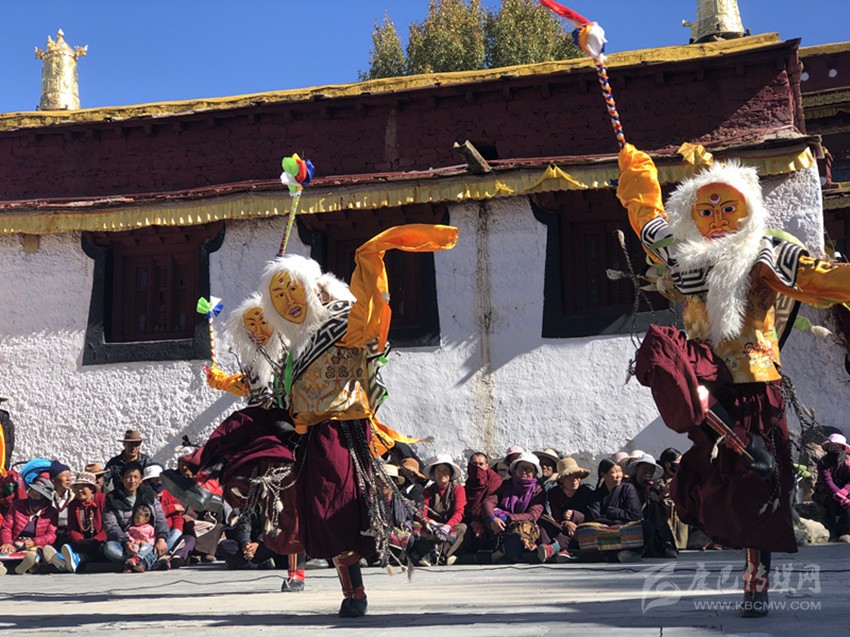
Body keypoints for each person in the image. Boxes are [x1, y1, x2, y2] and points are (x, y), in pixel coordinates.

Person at [618, 142, 850, 616]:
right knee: (665, 353)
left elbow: (819, 279)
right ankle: (743, 450)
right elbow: (646, 218)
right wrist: (635, 166)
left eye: (728, 208)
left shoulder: (766, 251)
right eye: (706, 210)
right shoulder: (682, 252)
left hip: (754, 380)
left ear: (747, 210)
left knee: (759, 494)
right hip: (706, 373)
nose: (718, 218)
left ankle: (754, 586)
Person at [103, 462, 169, 573]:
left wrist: (161, 539)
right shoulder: (112, 498)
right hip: (126, 543)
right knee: (109, 548)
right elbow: (111, 526)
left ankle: (135, 563)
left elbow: (160, 518)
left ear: (140, 479)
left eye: (135, 477)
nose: (132, 481)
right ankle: (148, 561)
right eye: (128, 477)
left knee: (175, 535)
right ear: (122, 478)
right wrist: (126, 542)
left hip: (150, 540)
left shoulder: (148, 494)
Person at [482, 452, 545, 562]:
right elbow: (489, 501)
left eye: (529, 469)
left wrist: (508, 518)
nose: (524, 472)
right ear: (515, 470)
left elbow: (532, 515)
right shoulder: (506, 485)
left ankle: (502, 554)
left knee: (523, 529)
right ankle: (508, 553)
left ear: (535, 473)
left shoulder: (538, 490)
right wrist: (492, 518)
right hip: (501, 524)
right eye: (521, 468)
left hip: (521, 524)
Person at [414, 454, 467, 567]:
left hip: (451, 526)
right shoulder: (427, 491)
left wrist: (447, 526)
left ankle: (439, 555)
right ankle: (434, 554)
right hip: (433, 528)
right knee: (416, 527)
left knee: (462, 528)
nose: (442, 473)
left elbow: (459, 512)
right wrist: (432, 523)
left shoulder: (458, 489)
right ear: (433, 473)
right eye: (438, 470)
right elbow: (421, 513)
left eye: (445, 470)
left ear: (451, 473)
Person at [586, 459, 643, 563]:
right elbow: (594, 517)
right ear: (603, 475)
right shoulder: (596, 494)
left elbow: (636, 515)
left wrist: (612, 512)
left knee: (646, 526)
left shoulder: (628, 488)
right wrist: (613, 523)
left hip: (625, 528)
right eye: (614, 472)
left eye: (620, 471)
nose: (619, 476)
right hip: (605, 530)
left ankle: (625, 553)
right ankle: (617, 554)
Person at [537, 457, 593, 562]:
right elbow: (556, 515)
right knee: (543, 520)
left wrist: (575, 515)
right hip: (562, 526)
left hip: (581, 528)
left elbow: (591, 515)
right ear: (562, 480)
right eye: (569, 477)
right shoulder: (554, 493)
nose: (574, 480)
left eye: (577, 476)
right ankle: (553, 550)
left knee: (579, 530)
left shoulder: (587, 491)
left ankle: (553, 548)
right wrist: (566, 522)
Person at [0, 475, 58, 575]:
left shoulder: (51, 512)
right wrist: (7, 542)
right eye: (31, 492)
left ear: (43, 498)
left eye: (36, 495)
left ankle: (26, 565)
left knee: (34, 553)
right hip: (15, 543)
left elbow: (51, 535)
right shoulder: (16, 506)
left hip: (35, 545)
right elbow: (7, 527)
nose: (32, 496)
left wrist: (35, 541)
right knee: (5, 551)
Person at [142, 463, 195, 569]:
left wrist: (177, 530)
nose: (159, 482)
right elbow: (150, 516)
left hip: (170, 532)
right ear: (147, 482)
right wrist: (171, 507)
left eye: (160, 479)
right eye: (155, 480)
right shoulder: (144, 497)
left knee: (189, 538)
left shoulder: (168, 494)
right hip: (151, 533)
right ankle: (157, 558)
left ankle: (171, 557)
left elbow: (177, 516)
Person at [627, 454, 678, 558]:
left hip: (649, 520)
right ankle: (666, 543)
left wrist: (660, 497)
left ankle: (666, 543)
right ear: (637, 469)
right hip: (630, 519)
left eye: (651, 469)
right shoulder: (627, 486)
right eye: (645, 468)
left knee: (654, 506)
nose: (648, 471)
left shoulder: (652, 487)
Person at [59, 471, 108, 573]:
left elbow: (108, 525)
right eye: (77, 487)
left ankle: (76, 559)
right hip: (82, 542)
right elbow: (72, 528)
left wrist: (95, 540)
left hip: (99, 541)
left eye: (83, 487)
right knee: (68, 544)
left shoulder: (103, 500)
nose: (79, 490)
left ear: (91, 489)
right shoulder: (73, 505)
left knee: (100, 548)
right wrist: (80, 541)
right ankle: (64, 559)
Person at [462, 452, 503, 558]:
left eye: (481, 464)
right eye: (474, 464)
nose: (477, 467)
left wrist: (480, 520)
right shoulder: (468, 485)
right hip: (470, 522)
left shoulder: (495, 482)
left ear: (486, 466)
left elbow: (493, 503)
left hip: (488, 519)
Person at [812, 433, 850, 542]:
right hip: (826, 492)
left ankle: (846, 531)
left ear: (843, 447)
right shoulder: (823, 462)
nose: (834, 448)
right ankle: (836, 532)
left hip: (845, 491)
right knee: (833, 503)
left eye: (837, 445)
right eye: (832, 445)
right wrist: (839, 495)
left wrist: (844, 492)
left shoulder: (848, 460)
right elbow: (827, 482)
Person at [657, 448, 688, 550]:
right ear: (667, 464)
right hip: (666, 515)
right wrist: (665, 492)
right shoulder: (659, 479)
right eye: (678, 462)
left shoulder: (683, 477)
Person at [49, 460, 74, 551]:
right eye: (64, 476)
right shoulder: (47, 497)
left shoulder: (74, 497)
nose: (68, 479)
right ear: (53, 479)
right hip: (50, 535)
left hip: (69, 536)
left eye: (70, 475)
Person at [122, 504, 156, 572]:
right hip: (136, 544)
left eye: (138, 518)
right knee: (133, 549)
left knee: (148, 547)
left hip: (145, 546)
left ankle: (138, 558)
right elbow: (127, 535)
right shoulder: (132, 528)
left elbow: (153, 538)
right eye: (135, 517)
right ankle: (129, 564)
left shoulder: (150, 528)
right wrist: (133, 540)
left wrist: (146, 542)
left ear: (146, 519)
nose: (136, 519)